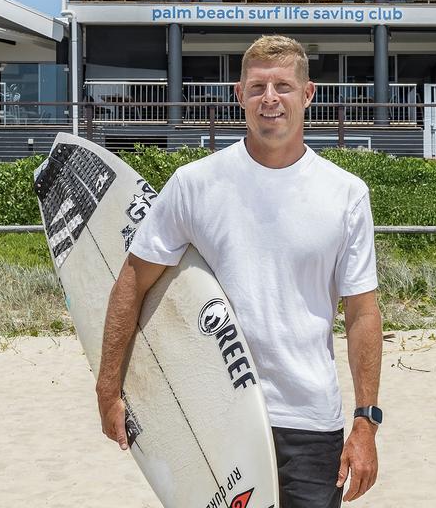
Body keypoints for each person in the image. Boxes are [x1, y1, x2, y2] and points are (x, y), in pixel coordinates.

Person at [95, 35, 384, 507]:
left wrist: (365, 421)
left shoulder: (345, 194)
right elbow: (133, 277)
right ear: (239, 94)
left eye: (283, 86)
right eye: (257, 87)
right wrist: (109, 388)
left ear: (308, 94)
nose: (270, 98)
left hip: (310, 420)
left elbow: (362, 313)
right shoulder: (195, 183)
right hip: (216, 413)